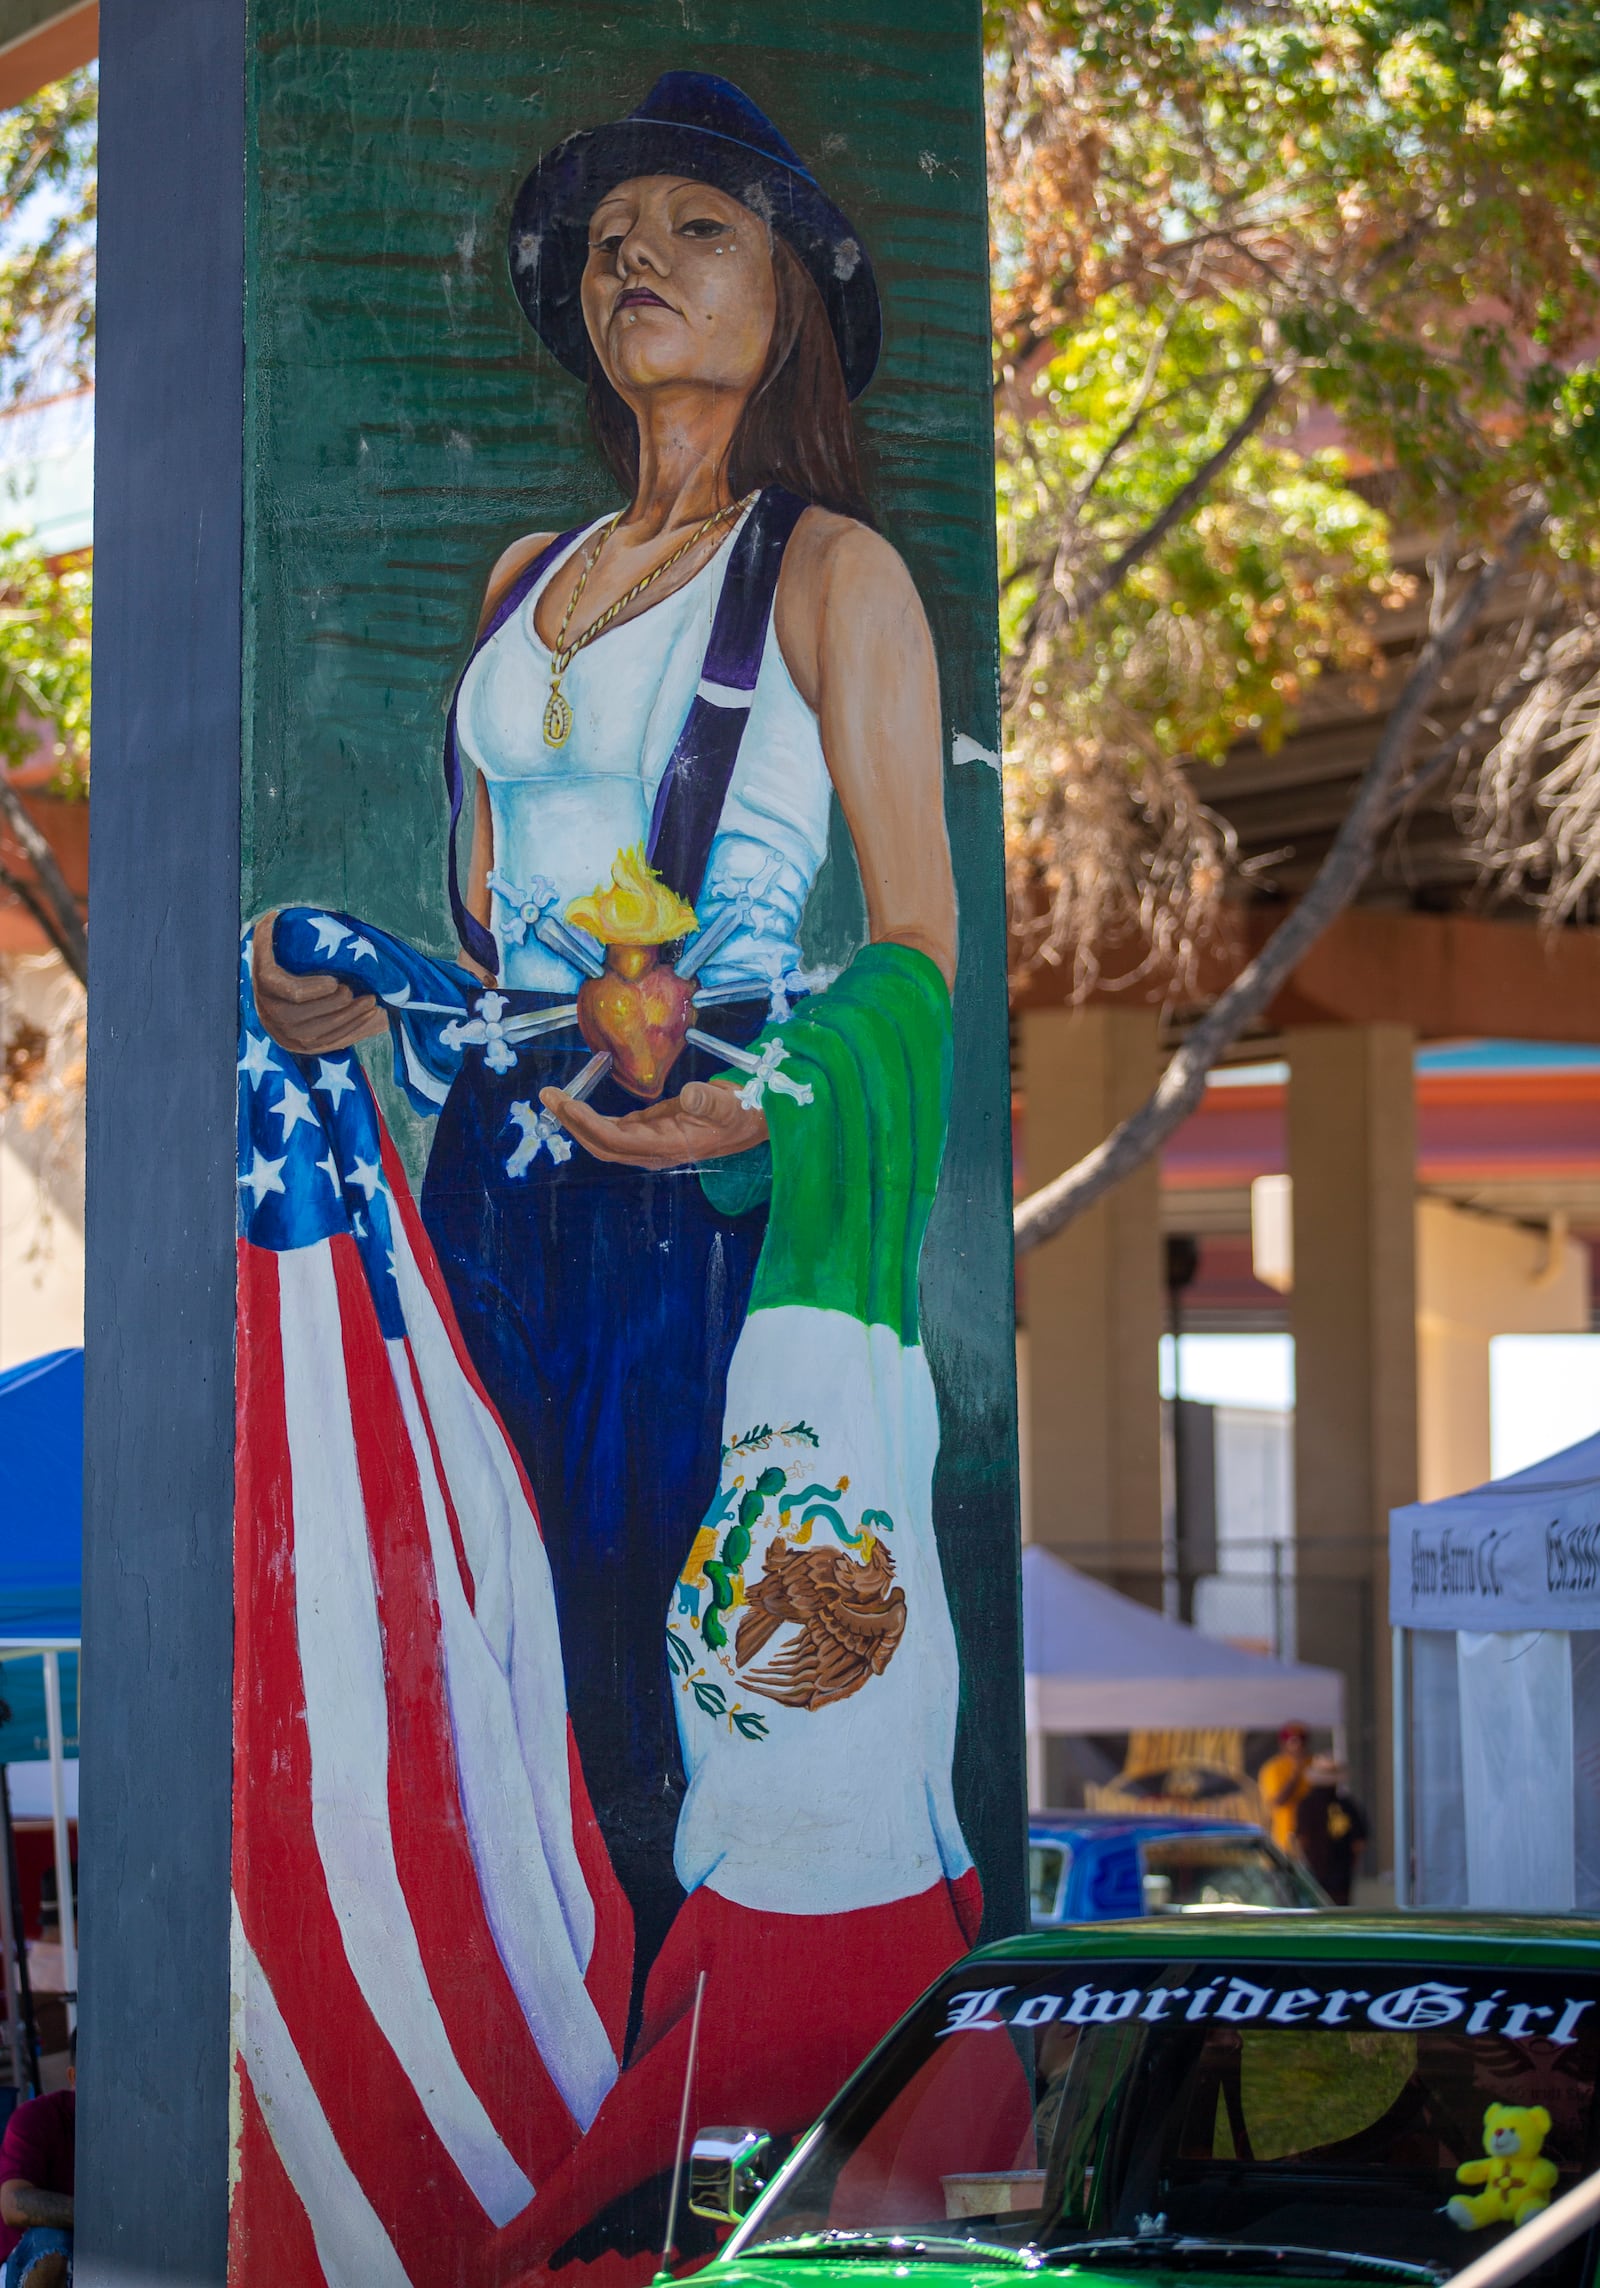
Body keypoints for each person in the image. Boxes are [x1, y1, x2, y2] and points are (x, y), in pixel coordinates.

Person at [239, 69, 978, 2278]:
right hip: (496, 1163)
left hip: (699, 1174)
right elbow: (496, 931)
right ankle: (507, 2096)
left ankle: (676, 2172)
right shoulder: (520, 578)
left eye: (693, 226)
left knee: (676, 1659)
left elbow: (923, 938)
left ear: (796, 300)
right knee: (484, 1647)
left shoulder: (831, 572)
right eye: (605, 236)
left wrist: (771, 1100)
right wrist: (344, 1003)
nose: (630, 256)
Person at [0, 2038, 74, 2288]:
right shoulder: (37, 2118)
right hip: (21, 2267)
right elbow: (12, 2204)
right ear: (74, 2077)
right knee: (52, 2243)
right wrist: (98, 2216)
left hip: (98, 2260)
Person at [1296, 1754, 1369, 1905]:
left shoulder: (1306, 1805)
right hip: (1341, 1875)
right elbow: (1359, 1843)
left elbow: (1301, 1840)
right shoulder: (1347, 1805)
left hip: (1314, 1872)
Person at [1258, 1721, 1311, 1852]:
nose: (1298, 1745)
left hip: (1313, 1837)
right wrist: (1296, 1774)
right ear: (1283, 1743)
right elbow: (1278, 1801)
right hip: (1286, 1838)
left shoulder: (1313, 1764)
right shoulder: (1273, 1768)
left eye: (1301, 1741)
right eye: (1293, 1741)